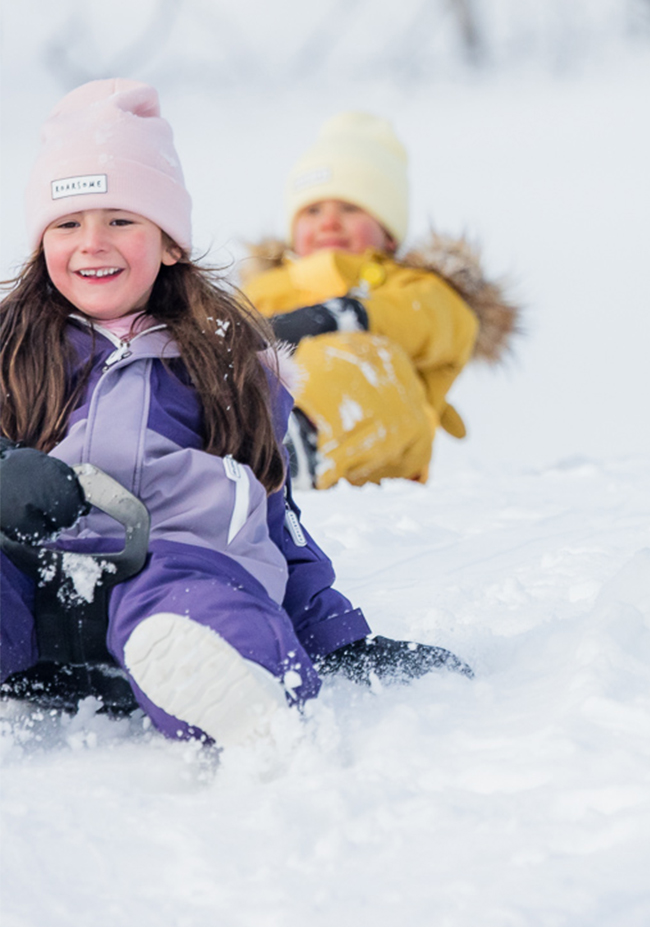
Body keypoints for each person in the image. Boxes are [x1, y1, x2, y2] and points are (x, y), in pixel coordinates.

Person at [0, 80, 465, 745]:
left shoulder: (223, 360)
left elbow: (275, 517)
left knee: (205, 592)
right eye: (67, 223)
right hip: (37, 577)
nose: (91, 243)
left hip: (173, 564)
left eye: (122, 220)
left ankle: (230, 685)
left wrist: (333, 634)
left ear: (170, 243)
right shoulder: (12, 346)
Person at [238, 112, 517, 489]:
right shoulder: (264, 291)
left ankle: (290, 446)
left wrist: (348, 314)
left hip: (381, 449)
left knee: (358, 358)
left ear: (389, 234)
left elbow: (439, 321)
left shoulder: (415, 287)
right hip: (253, 429)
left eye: (351, 208)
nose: (329, 223)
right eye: (313, 210)